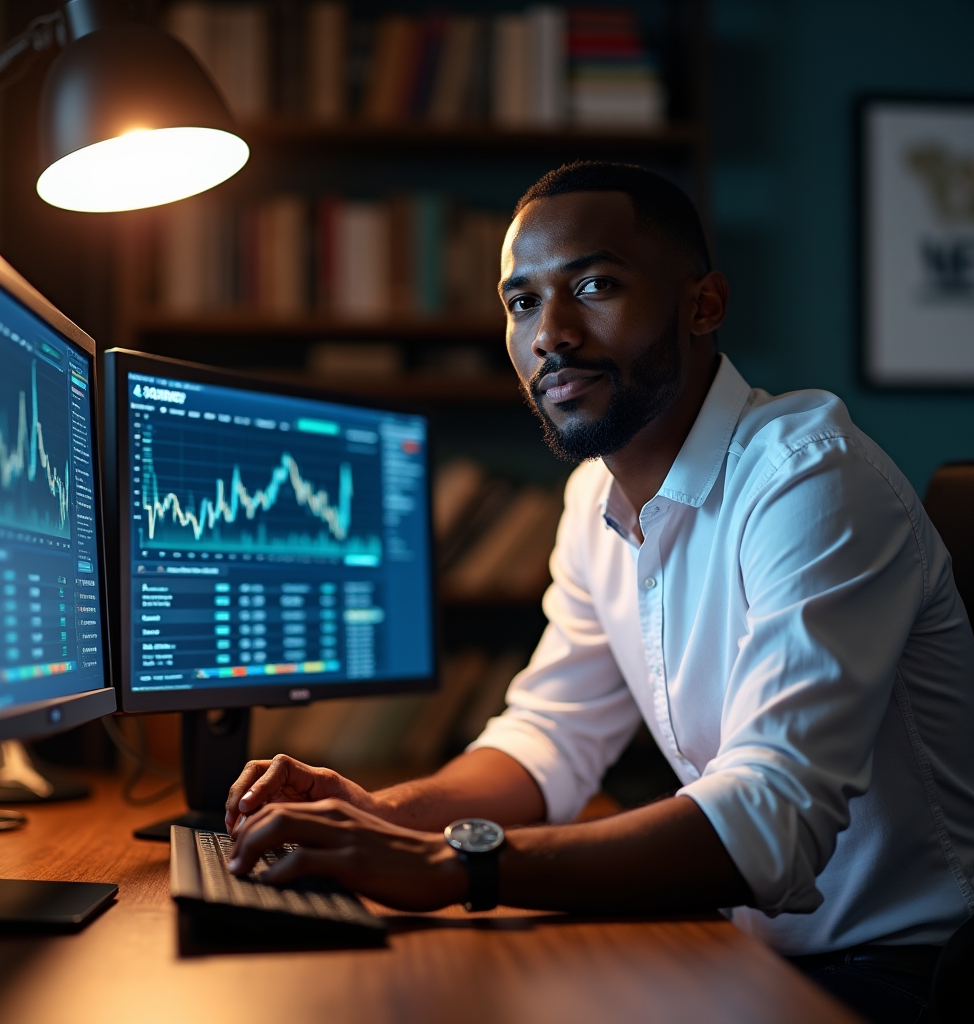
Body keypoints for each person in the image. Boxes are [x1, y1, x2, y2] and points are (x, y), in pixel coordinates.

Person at [225, 162, 974, 1023]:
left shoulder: (809, 479)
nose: (552, 333)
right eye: (521, 303)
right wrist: (383, 817)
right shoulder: (593, 500)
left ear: (704, 305)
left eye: (595, 284)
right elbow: (551, 738)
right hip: (747, 946)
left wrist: (452, 865)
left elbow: (770, 820)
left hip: (903, 974)